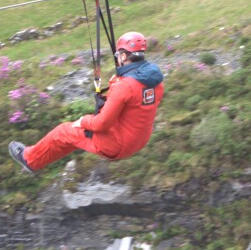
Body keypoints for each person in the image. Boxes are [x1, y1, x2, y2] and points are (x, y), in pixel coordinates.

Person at [9, 31, 165, 174]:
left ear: (124, 56)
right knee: (72, 138)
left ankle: (29, 159)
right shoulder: (155, 82)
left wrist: (83, 121)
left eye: (118, 54)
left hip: (117, 145)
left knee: (63, 131)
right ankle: (38, 158)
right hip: (138, 141)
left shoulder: (124, 86)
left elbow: (102, 124)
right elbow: (133, 107)